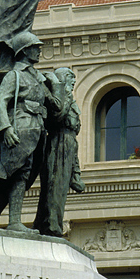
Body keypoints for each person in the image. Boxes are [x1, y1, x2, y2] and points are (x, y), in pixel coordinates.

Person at [0, 32, 64, 233]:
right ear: (25, 51)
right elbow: (0, 101)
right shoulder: (14, 75)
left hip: (36, 130)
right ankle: (13, 222)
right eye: (35, 47)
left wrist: (57, 85)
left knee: (19, 175)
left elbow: (57, 107)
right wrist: (6, 128)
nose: (39, 50)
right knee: (15, 175)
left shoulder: (38, 77)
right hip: (20, 128)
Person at [34, 67, 85, 237]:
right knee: (54, 185)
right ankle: (50, 225)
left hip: (69, 142)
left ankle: (51, 222)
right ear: (62, 79)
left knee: (60, 188)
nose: (72, 82)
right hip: (57, 141)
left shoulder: (68, 98)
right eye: (70, 79)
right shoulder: (59, 98)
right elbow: (58, 116)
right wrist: (66, 97)